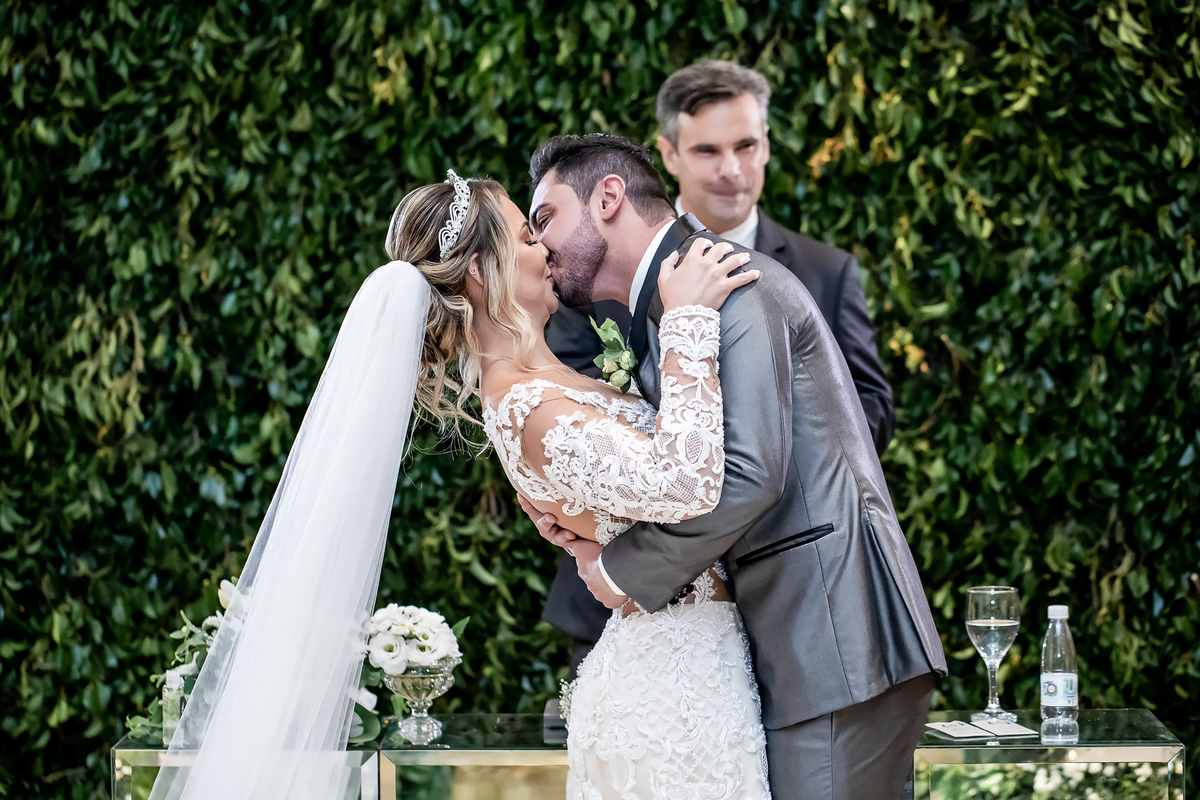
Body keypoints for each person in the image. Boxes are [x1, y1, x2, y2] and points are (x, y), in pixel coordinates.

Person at [149, 170, 771, 800]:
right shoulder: (526, 407)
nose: (545, 249)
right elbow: (684, 482)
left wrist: (597, 551)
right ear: (480, 271)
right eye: (527, 238)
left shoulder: (549, 383)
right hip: (671, 698)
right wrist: (688, 321)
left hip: (689, 667)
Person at [525, 133, 947, 800]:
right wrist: (588, 522)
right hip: (799, 646)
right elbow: (688, 474)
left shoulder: (728, 281)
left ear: (608, 197)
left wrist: (621, 570)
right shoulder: (674, 305)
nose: (538, 244)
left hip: (837, 640)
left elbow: (751, 474)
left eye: (545, 217)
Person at [542, 60, 895, 671]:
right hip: (622, 596)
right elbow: (577, 414)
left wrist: (761, 437)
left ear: (767, 146)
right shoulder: (588, 271)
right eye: (708, 150)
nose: (731, 169)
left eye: (746, 146)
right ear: (669, 155)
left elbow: (867, 412)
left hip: (787, 592)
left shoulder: (822, 271)